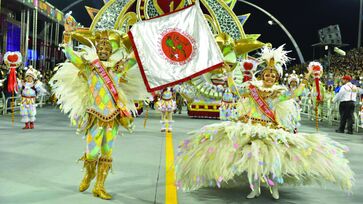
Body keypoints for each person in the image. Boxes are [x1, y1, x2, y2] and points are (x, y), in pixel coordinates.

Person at [175, 46, 353, 200]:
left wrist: (307, 76)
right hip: (250, 127)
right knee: (253, 160)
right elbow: (233, 90)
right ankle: (255, 189)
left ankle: (273, 187)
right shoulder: (251, 88)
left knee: (273, 161)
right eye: (267, 74)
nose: (269, 77)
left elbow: (295, 94)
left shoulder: (279, 93)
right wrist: (229, 73)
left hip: (271, 129)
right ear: (262, 76)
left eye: (272, 76)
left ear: (276, 78)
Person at [51, 29, 148, 200]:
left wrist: (139, 39)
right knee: (92, 152)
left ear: (111, 52)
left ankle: (99, 186)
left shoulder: (118, 69)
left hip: (113, 118)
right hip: (95, 116)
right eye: (100, 48)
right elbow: (71, 56)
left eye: (107, 48)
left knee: (107, 152)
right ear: (96, 50)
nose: (103, 50)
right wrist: (67, 39)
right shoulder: (89, 68)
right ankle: (89, 175)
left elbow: (135, 58)